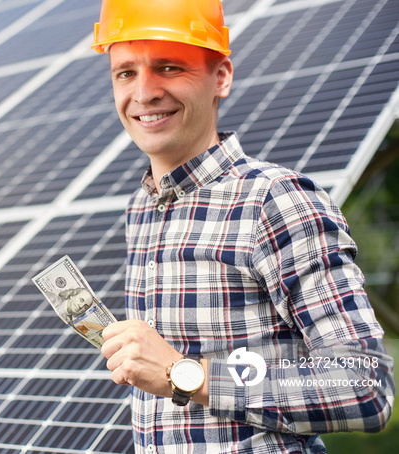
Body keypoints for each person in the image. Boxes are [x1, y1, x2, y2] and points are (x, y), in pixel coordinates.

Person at [92, 1, 395, 453]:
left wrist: (184, 374)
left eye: (169, 67)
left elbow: (366, 387)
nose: (145, 92)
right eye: (125, 73)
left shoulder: (277, 201)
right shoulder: (142, 207)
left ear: (221, 77)